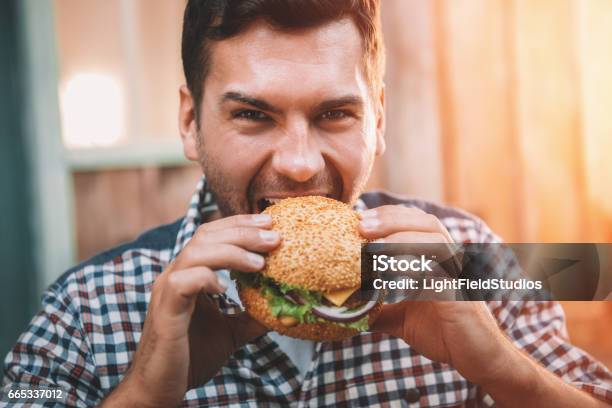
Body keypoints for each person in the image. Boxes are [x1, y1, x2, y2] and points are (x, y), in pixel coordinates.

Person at [3, 1, 611, 406]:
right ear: (190, 123)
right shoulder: (84, 310)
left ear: (377, 120)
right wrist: (142, 393)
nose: (299, 163)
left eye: (334, 114)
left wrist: (501, 369)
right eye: (252, 115)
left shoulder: (470, 262)